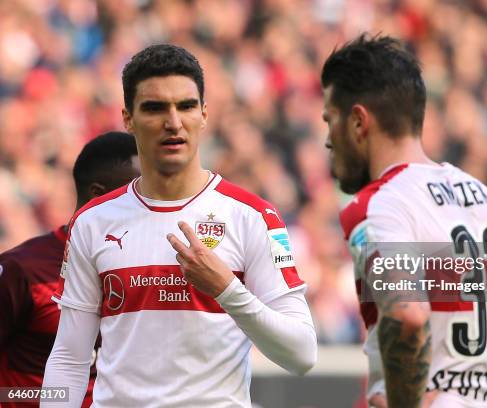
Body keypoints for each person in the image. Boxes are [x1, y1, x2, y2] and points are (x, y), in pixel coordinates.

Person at [42, 44, 317, 407]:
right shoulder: (92, 222)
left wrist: (227, 291)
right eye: (155, 108)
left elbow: (301, 354)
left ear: (203, 114)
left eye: (186, 106)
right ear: (128, 118)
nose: (174, 122)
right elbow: (69, 357)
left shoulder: (253, 217)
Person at [321, 34, 487, 408]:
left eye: (330, 120)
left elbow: (407, 315)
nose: (328, 140)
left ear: (358, 121)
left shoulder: (378, 205)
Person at [0, 132, 140, 408]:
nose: (152, 205)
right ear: (98, 196)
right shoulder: (23, 270)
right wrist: (52, 397)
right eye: (138, 194)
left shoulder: (150, 269)